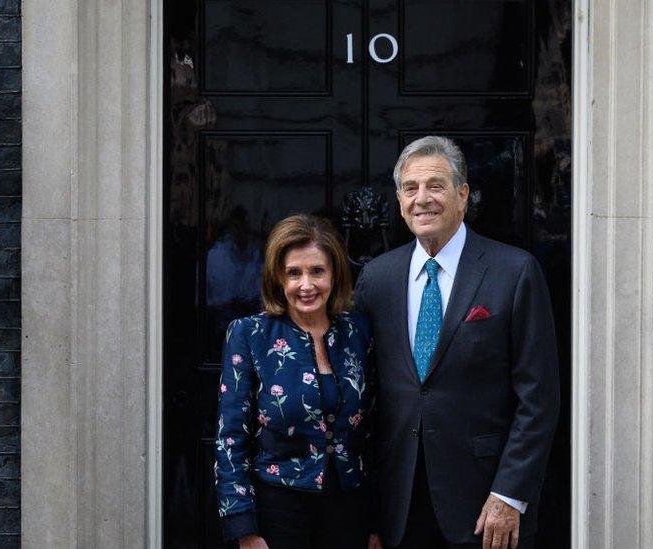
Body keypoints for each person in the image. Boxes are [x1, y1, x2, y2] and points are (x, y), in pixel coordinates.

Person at [355, 136, 560, 549]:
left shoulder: (514, 272)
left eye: (435, 186)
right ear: (398, 200)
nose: (422, 199)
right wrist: (367, 510)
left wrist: (509, 496)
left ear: (462, 195)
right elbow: (368, 394)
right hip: (399, 507)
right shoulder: (376, 279)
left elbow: (539, 398)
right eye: (410, 189)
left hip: (485, 507)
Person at [215, 214, 376, 549]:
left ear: (334, 274)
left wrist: (377, 521)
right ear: (278, 278)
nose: (306, 285)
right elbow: (230, 437)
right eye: (294, 273)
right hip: (278, 511)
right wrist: (243, 527)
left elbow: (375, 432)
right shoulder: (250, 334)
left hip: (348, 509)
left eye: (317, 271)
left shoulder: (357, 332)